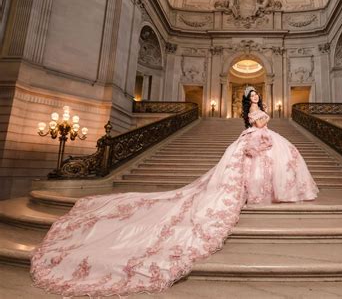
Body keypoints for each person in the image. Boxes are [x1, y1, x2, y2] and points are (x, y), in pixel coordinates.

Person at [30, 86, 318, 297]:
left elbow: (262, 124)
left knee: (274, 164)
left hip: (262, 140)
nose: (254, 98)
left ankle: (265, 191)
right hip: (255, 139)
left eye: (256, 95)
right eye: (251, 96)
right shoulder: (254, 113)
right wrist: (261, 124)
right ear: (248, 101)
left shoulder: (259, 109)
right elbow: (258, 123)